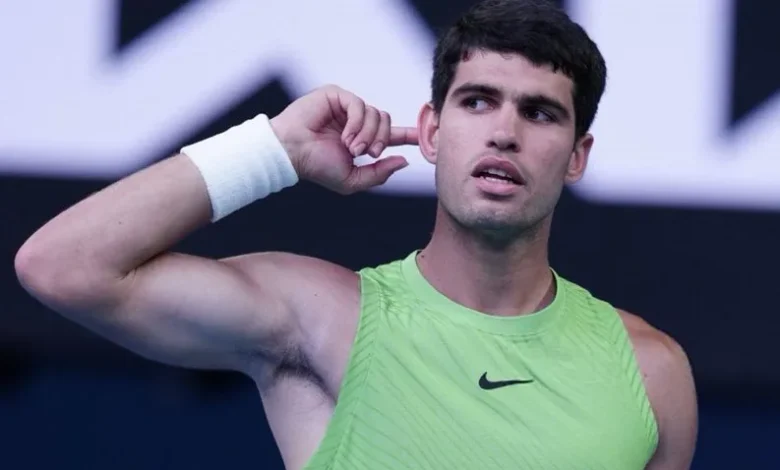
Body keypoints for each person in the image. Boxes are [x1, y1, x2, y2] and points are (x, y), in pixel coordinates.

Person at [14, 0, 698, 468]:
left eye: (540, 113)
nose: (503, 132)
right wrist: (274, 150)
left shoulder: (651, 372)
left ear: (577, 156)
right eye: (478, 101)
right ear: (432, 131)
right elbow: (62, 266)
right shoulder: (322, 317)